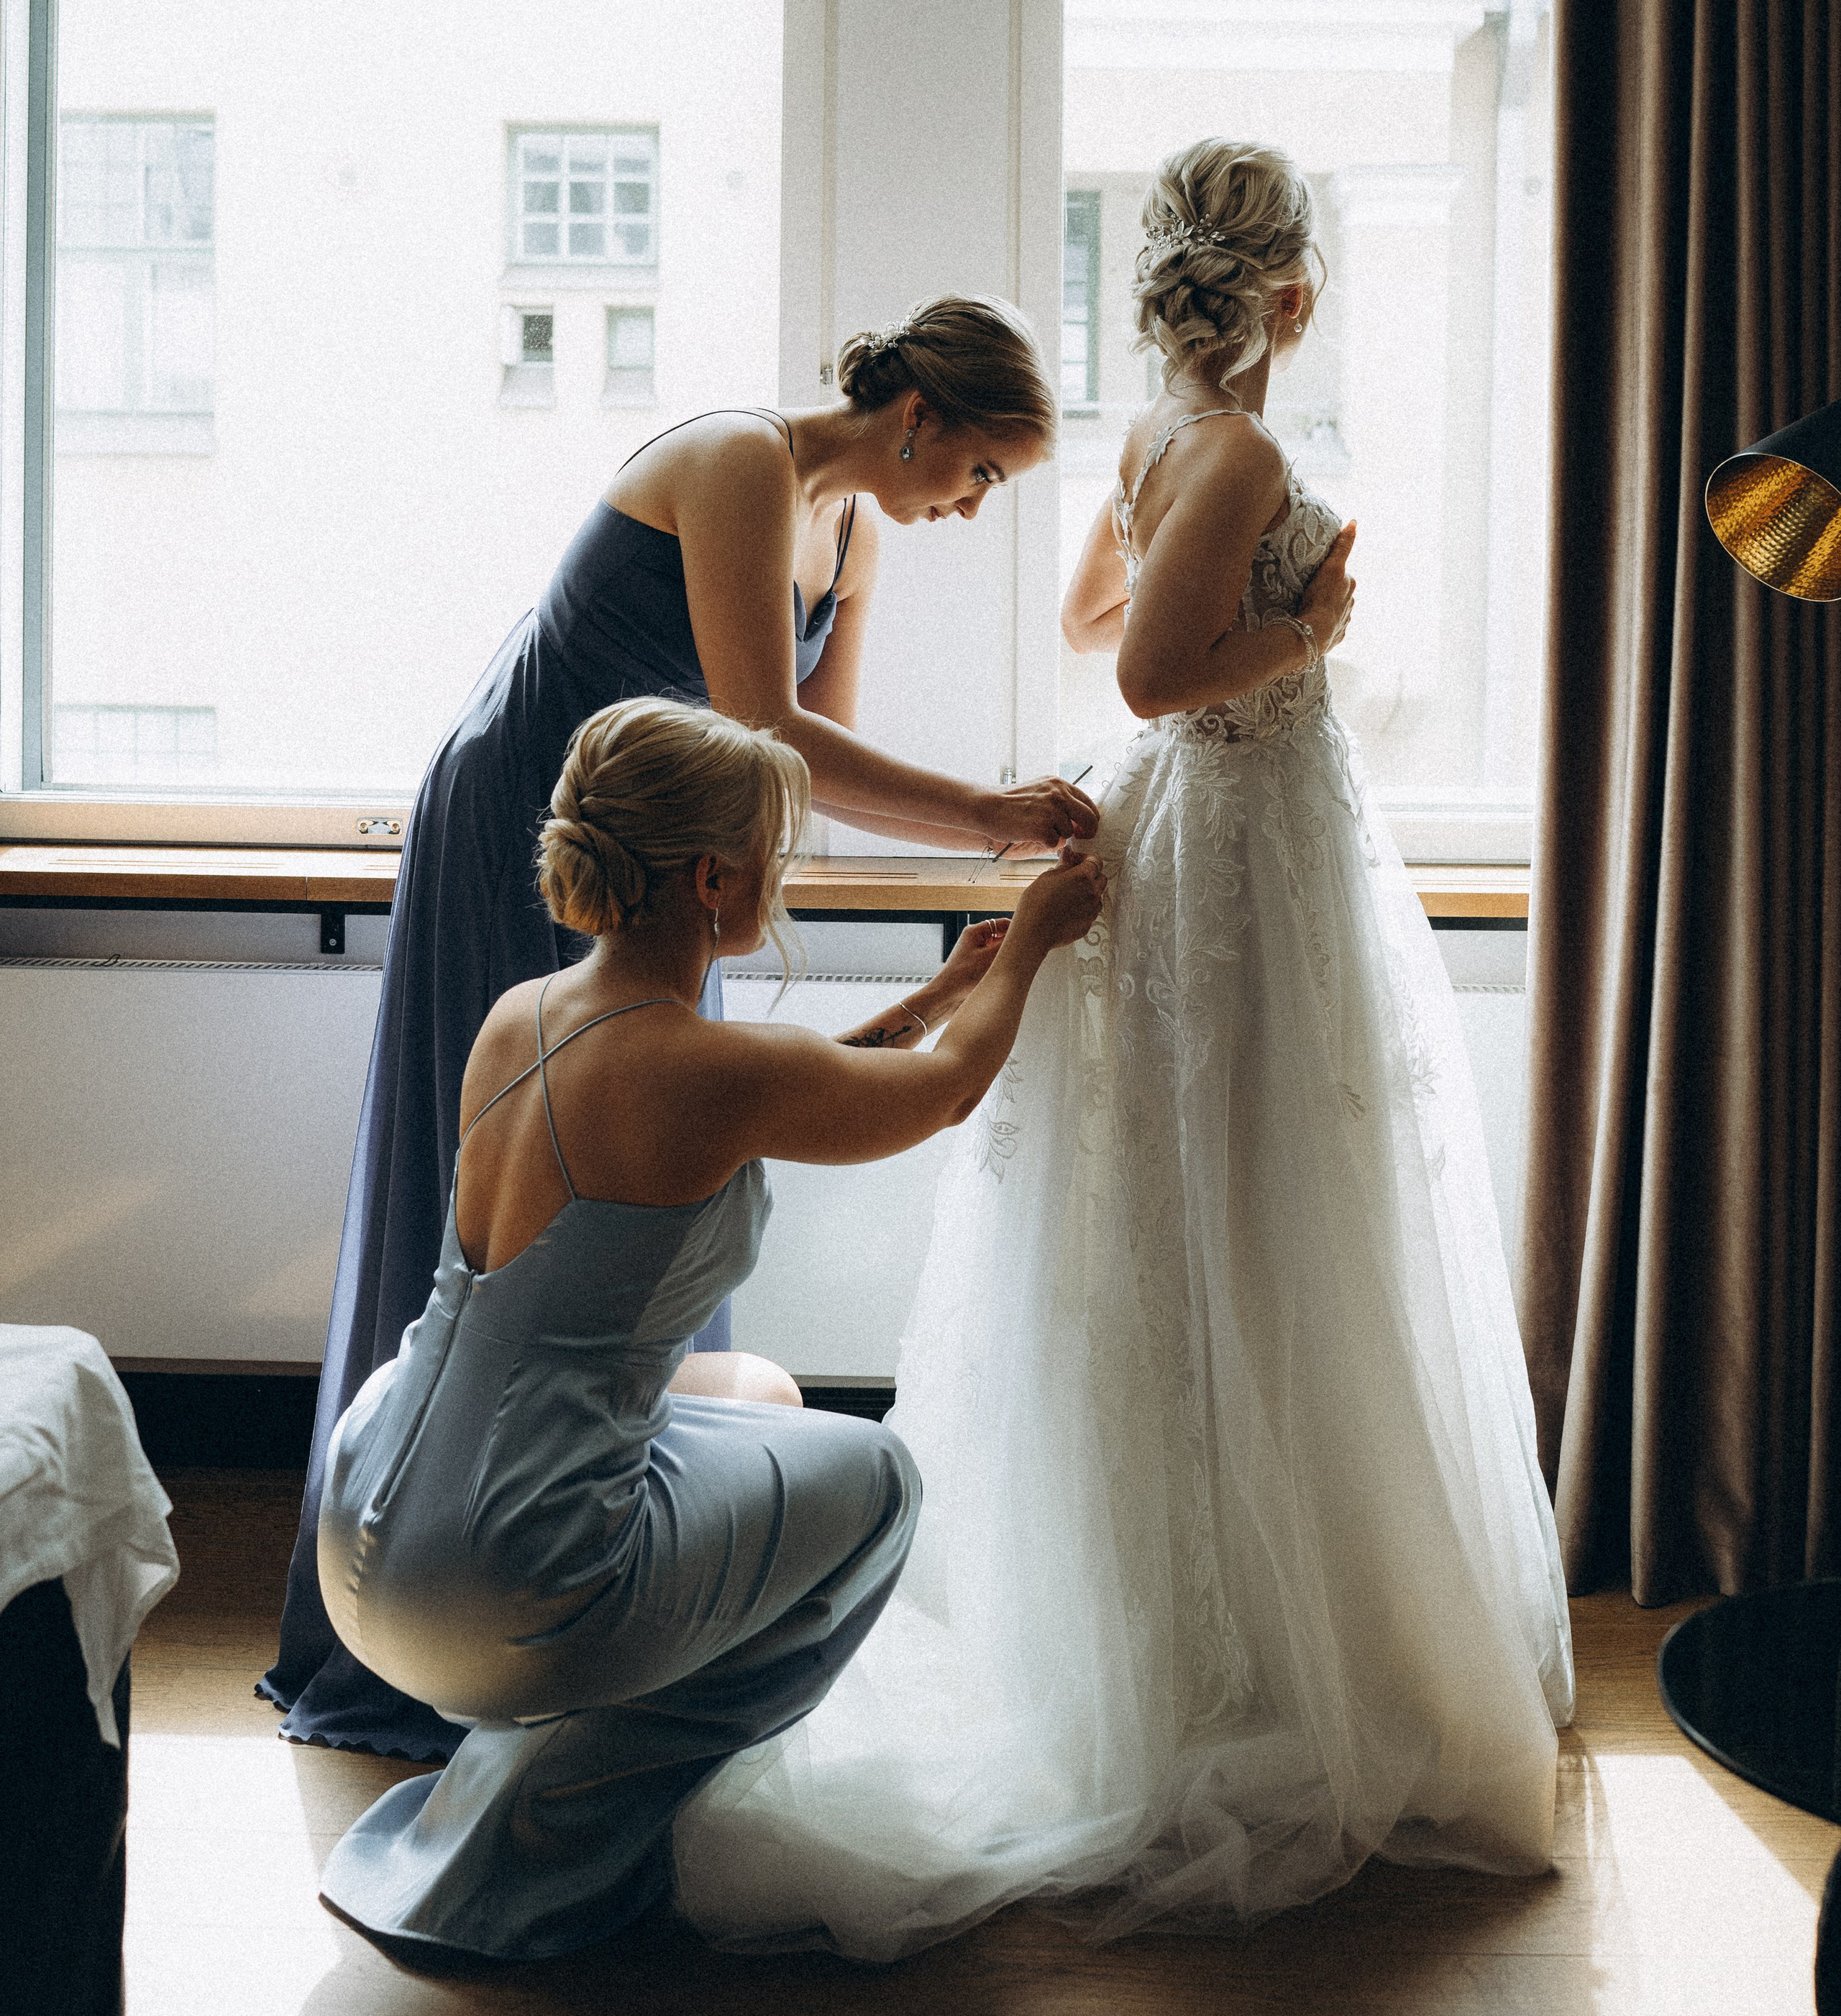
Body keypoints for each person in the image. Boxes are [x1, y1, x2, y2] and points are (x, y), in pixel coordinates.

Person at [672, 141, 1576, 1956]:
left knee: (1208, 1210)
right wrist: (1301, 630)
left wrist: (1240, 625)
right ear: (1291, 299)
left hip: (1224, 837)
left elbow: (1098, 619)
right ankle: (1241, 1656)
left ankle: (1212, 1614)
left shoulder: (1159, 443)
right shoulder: (1235, 450)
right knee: (1259, 1208)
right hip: (1243, 836)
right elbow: (1153, 677)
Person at [265, 293, 1098, 1756]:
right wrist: (985, 814)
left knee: (657, 1151)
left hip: (680, 855)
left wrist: (957, 901)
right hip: (539, 811)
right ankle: (433, 1614)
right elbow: (763, 722)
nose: (972, 508)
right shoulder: (737, 463)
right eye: (976, 472)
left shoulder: (858, 535)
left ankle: (596, 1532)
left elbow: (793, 781)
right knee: (511, 1179)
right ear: (918, 418)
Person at [314, 695, 1105, 1962]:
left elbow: (771, 1095)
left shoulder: (525, 1014)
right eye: (775, 859)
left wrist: (937, 988)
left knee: (756, 1389)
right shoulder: (705, 1067)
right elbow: (945, 1097)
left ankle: (536, 1765)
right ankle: (584, 1822)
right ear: (713, 879)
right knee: (885, 1485)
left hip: (368, 1532)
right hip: (510, 1570)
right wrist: (1032, 950)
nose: (781, 882)